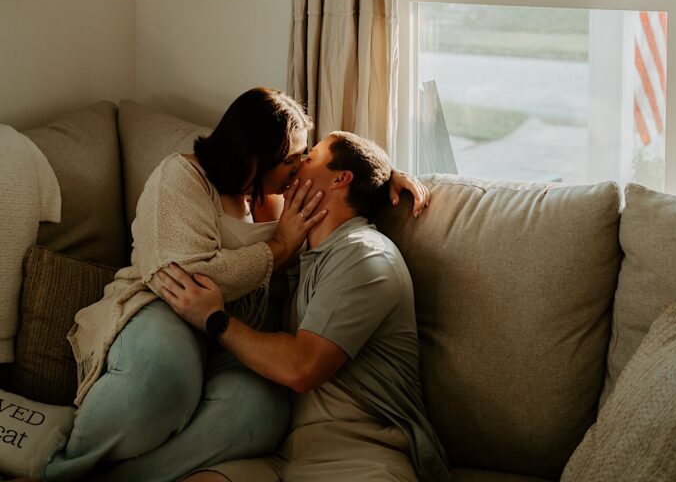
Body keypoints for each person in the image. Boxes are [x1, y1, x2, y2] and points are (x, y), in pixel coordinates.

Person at [43, 89, 427, 482]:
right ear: (256, 156)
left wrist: (382, 179)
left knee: (261, 412)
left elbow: (342, 175)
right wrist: (279, 247)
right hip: (167, 311)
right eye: (293, 159)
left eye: (303, 157)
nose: (298, 166)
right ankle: (66, 470)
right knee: (167, 375)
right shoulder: (182, 178)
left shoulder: (289, 199)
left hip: (236, 333)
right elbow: (185, 279)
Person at [160, 131, 450, 482]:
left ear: (341, 179)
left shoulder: (363, 254)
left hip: (361, 458)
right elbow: (244, 147)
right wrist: (385, 173)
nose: (295, 165)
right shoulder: (304, 255)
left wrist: (215, 319)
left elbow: (302, 367)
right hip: (286, 456)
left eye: (308, 157)